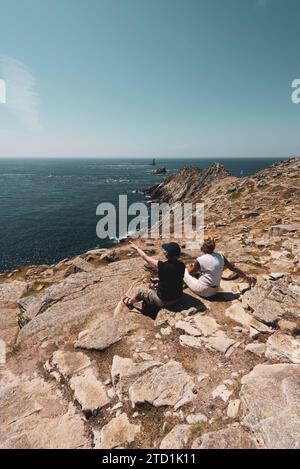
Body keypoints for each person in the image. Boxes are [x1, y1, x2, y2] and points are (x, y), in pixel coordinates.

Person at [184, 236, 256, 299]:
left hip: (204, 291)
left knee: (184, 271)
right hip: (215, 290)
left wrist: (189, 267)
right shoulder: (220, 256)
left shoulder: (200, 259)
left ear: (204, 247)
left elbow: (191, 272)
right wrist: (246, 276)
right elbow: (233, 267)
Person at [123, 241, 185, 310]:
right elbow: (174, 278)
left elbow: (145, 257)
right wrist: (159, 280)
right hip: (179, 297)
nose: (164, 251)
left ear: (167, 254)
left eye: (165, 251)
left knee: (140, 290)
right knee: (152, 285)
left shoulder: (162, 266)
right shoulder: (181, 265)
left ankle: (129, 302)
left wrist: (137, 248)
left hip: (165, 301)